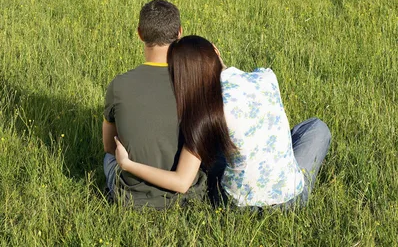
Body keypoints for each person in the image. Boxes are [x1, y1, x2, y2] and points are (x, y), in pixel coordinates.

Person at [114, 35, 331, 209]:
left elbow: (182, 182)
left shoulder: (204, 112)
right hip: (293, 200)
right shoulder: (266, 77)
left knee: (211, 151)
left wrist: (128, 164)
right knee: (316, 127)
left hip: (237, 205)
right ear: (216, 51)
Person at [102, 2, 206, 208]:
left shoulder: (119, 85)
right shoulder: (195, 83)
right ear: (179, 33)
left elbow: (108, 146)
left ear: (140, 34)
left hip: (130, 195)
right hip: (187, 192)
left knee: (108, 158)